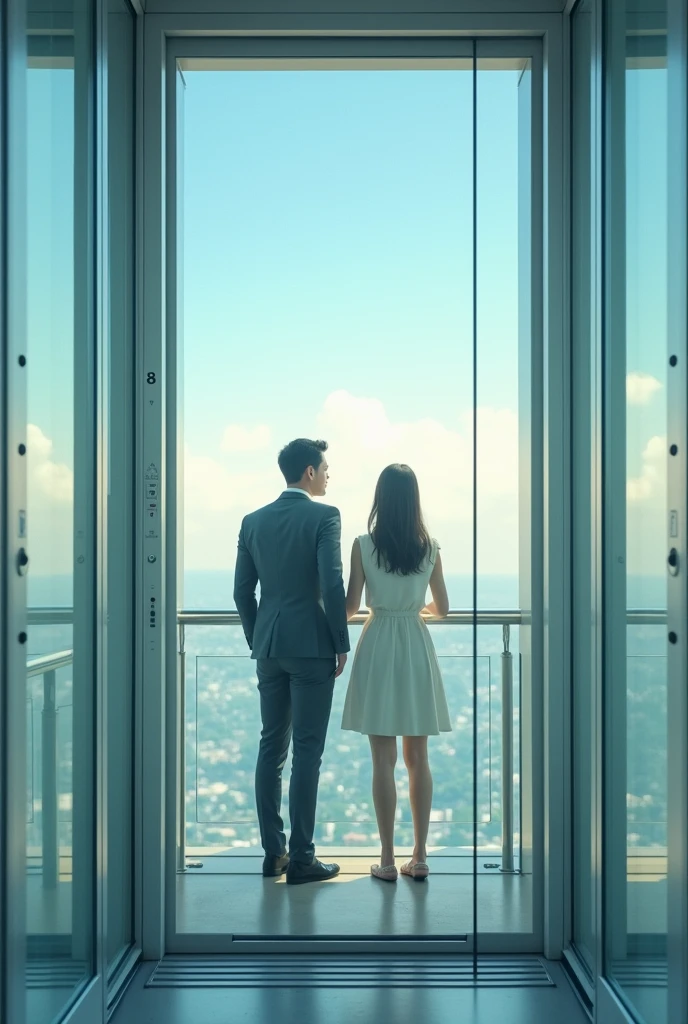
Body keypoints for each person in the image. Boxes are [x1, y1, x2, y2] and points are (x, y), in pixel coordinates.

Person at [234, 438, 350, 885]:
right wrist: (341, 641)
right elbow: (332, 581)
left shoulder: (253, 521)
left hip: (270, 647)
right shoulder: (325, 516)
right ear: (308, 472)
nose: (327, 476)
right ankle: (303, 859)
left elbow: (242, 592)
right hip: (312, 647)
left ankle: (273, 854)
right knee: (308, 753)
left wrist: (259, 637)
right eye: (324, 469)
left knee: (271, 749)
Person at [341, 464, 451, 882]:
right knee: (417, 757)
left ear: (380, 500)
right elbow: (443, 607)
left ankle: (386, 859)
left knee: (382, 760)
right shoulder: (431, 548)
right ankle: (419, 855)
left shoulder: (363, 545)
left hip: (378, 643)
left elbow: (351, 606)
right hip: (415, 644)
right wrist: (413, 609)